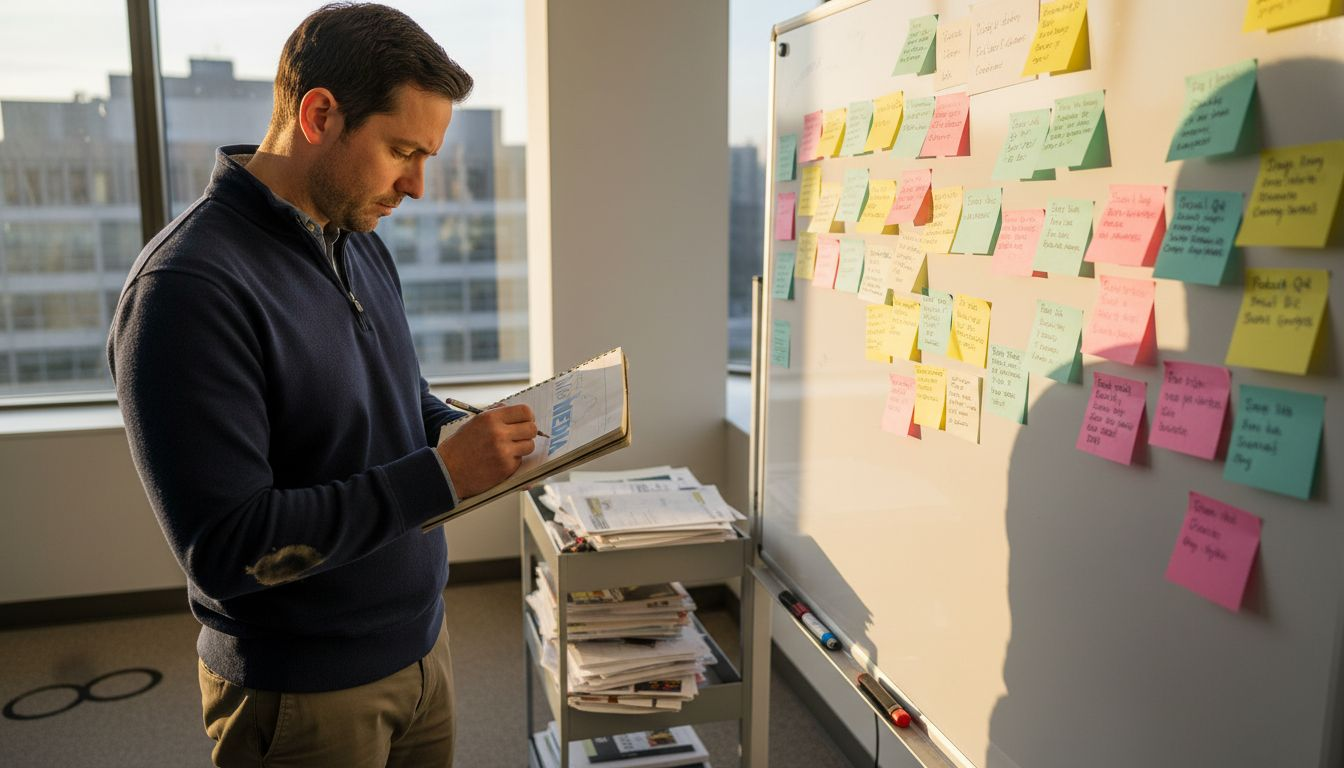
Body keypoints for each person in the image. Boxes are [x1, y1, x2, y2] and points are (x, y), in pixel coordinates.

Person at [107, 4, 538, 765]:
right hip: (302, 694)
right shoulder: (187, 288)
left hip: (421, 650)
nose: (418, 187)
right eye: (403, 150)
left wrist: (463, 430)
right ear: (320, 114)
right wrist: (442, 476)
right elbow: (230, 550)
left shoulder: (357, 237)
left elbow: (395, 399)